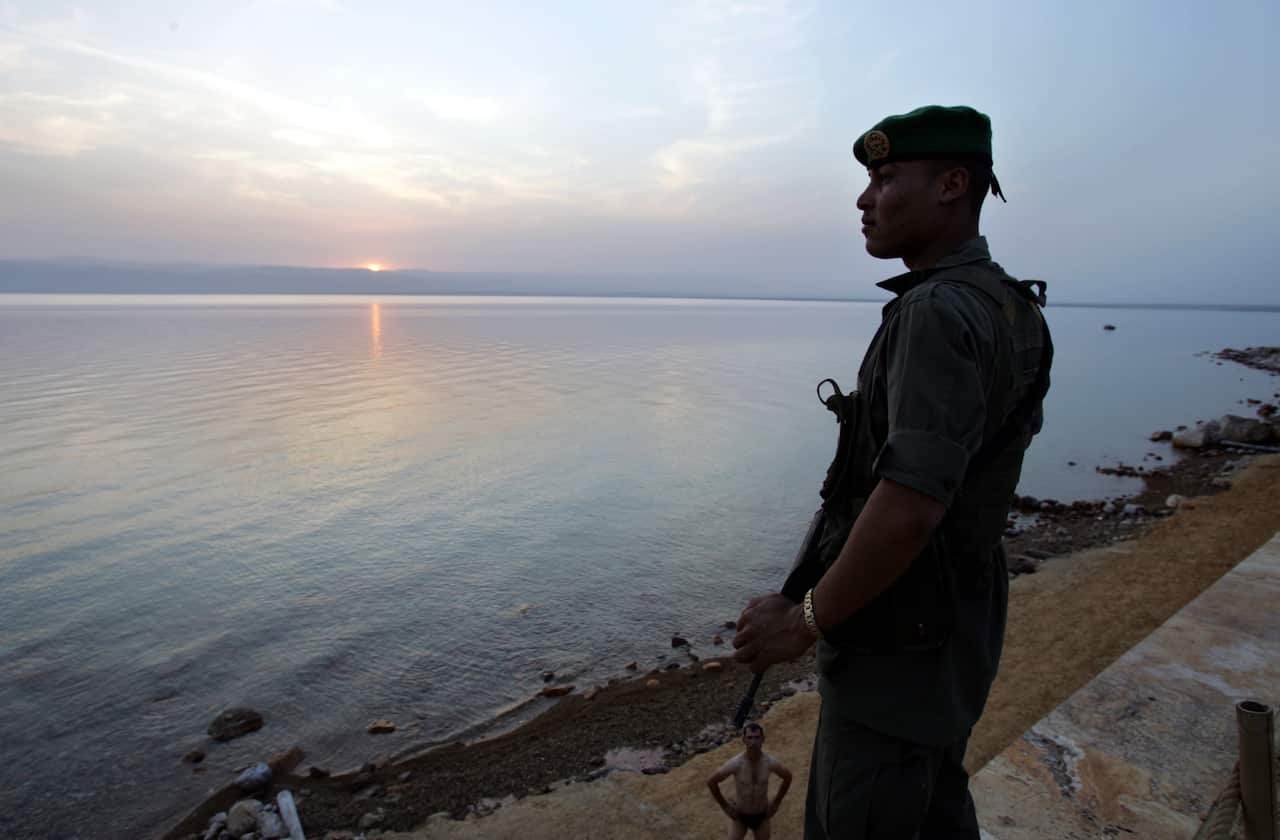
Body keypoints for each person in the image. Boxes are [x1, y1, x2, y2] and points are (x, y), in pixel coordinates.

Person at [731, 105, 1053, 838]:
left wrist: (802, 621)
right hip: (953, 638)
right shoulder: (1011, 307)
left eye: (883, 177)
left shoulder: (936, 312)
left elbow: (910, 505)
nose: (863, 198)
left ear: (950, 184)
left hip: (900, 649)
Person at [707, 721, 793, 839]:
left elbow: (787, 777)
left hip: (762, 816)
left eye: (757, 738)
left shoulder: (769, 763)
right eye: (750, 738)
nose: (753, 742)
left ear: (763, 739)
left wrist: (776, 803)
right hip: (740, 816)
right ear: (744, 740)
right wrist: (725, 807)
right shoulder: (736, 764)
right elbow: (711, 781)